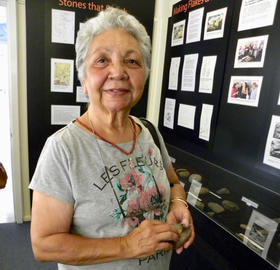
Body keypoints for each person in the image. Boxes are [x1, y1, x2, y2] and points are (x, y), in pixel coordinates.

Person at [29, 7, 195, 270]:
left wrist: (178, 203)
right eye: (102, 60)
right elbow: (44, 244)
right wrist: (128, 245)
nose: (118, 72)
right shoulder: (63, 149)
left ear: (144, 75)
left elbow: (174, 182)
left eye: (132, 61)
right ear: (84, 78)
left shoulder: (149, 131)